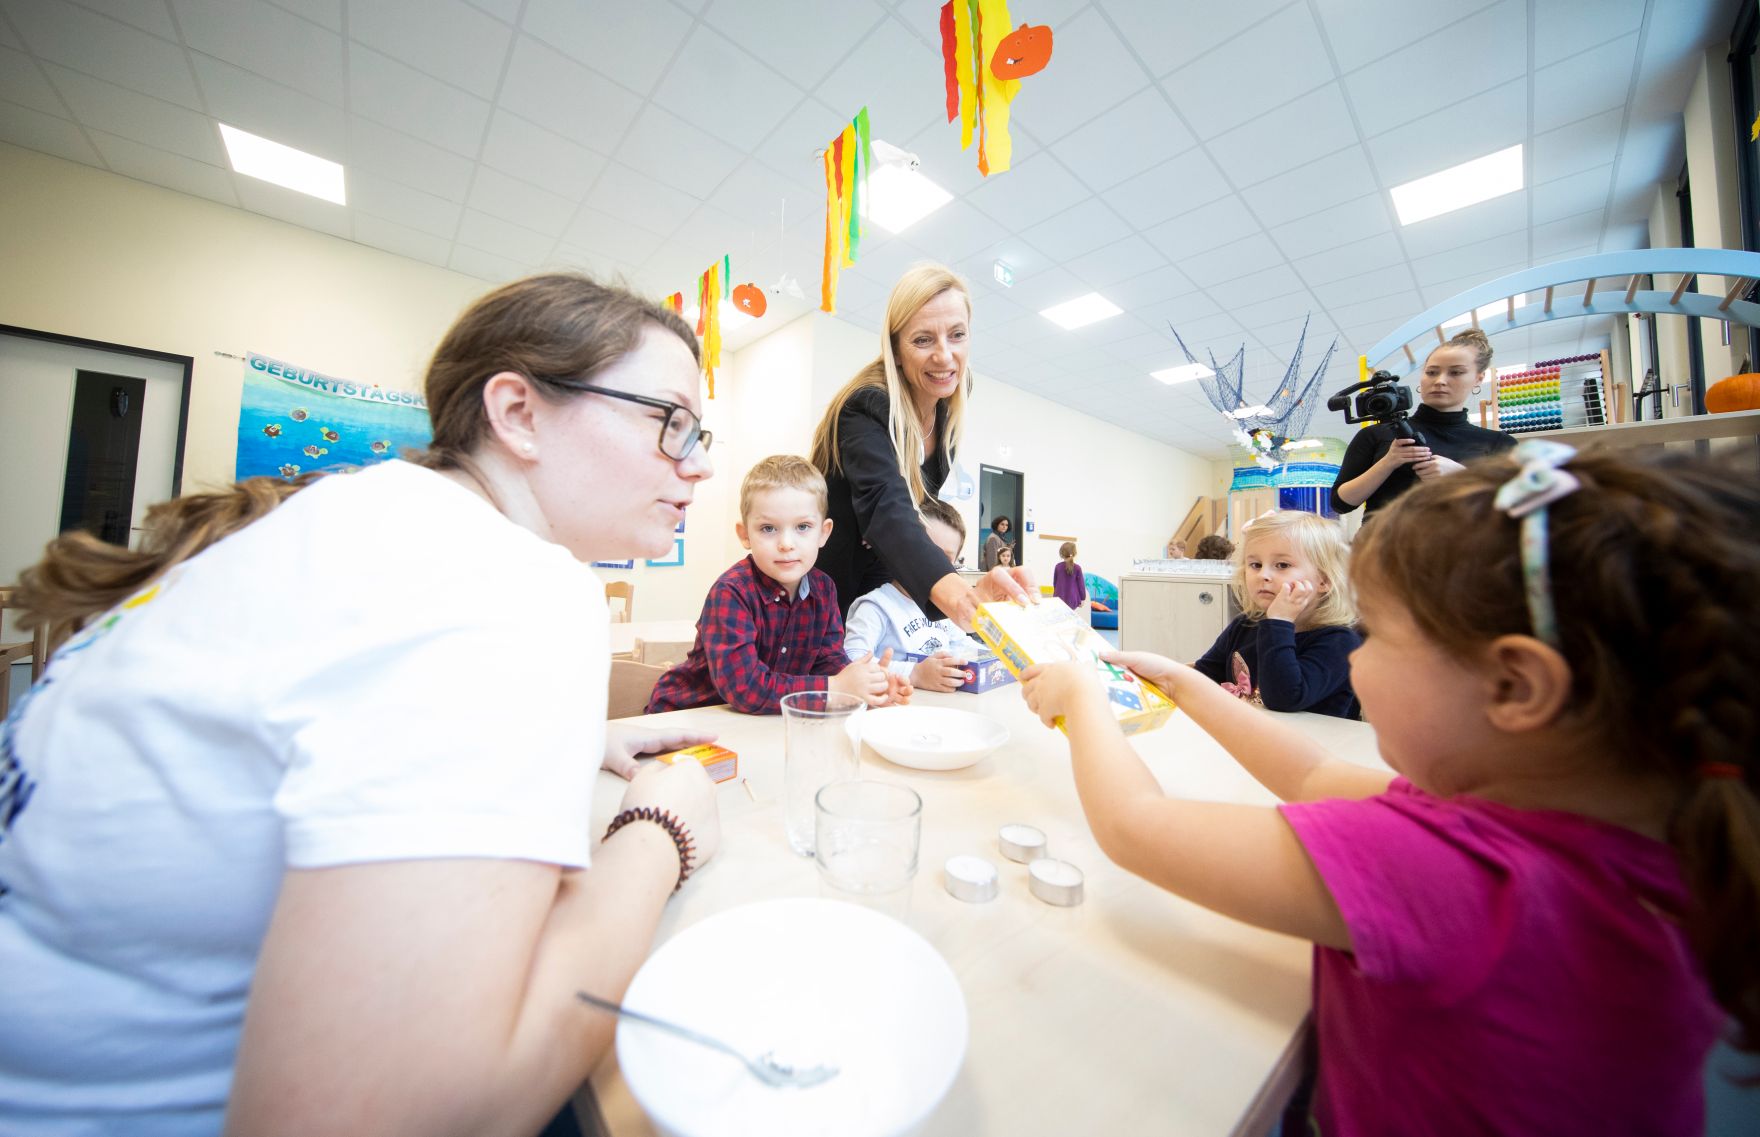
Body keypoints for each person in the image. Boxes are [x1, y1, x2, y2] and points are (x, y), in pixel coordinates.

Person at [0, 274, 730, 1136]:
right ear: (519, 413)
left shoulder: (358, 518)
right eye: (669, 420)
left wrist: (578, 736)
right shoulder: (497, 578)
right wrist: (658, 829)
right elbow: (419, 1113)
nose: (702, 461)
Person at [1019, 444, 1758, 1136]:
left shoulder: (1464, 875)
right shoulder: (1565, 830)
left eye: (1380, 635)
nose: (1359, 659)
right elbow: (1311, 775)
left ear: (1515, 685)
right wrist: (1185, 682)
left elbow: (1136, 824)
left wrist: (1081, 699)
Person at [809, 263, 1032, 627]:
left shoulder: (947, 404)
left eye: (957, 335)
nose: (944, 357)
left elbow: (914, 512)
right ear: (895, 349)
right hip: (830, 595)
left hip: (886, 593)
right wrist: (963, 599)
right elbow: (888, 509)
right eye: (923, 339)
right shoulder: (866, 407)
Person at [645, 455, 905, 715]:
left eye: (803, 527)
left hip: (757, 724)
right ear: (745, 535)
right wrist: (835, 687)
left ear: (823, 533)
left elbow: (828, 661)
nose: (786, 543)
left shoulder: (824, 589)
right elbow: (746, 688)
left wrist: (868, 685)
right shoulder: (731, 592)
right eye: (768, 529)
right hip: (687, 716)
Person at [1331, 328, 1516, 518]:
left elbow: (1518, 511)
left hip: (1460, 546)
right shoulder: (1376, 434)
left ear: (1479, 379)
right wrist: (1389, 462)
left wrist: (1461, 477)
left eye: (1456, 372)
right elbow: (1340, 503)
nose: (1440, 381)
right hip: (1383, 544)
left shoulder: (1499, 443)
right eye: (1432, 372)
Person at [1191, 511, 1359, 717]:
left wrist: (1280, 622)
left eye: (1282, 565)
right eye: (1255, 565)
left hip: (1309, 745)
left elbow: (1285, 699)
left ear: (1323, 580)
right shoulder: (1245, 625)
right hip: (1248, 737)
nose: (1263, 575)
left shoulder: (1340, 642)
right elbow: (1203, 677)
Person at [844, 498, 973, 693]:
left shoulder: (944, 609)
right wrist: (914, 673)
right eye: (926, 552)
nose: (932, 565)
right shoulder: (876, 606)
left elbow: (965, 646)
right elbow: (851, 658)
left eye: (944, 559)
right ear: (902, 550)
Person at [1052, 541, 1087, 614]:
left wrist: (1056, 594)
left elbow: (1055, 583)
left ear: (1061, 554)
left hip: (1059, 598)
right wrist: (1083, 598)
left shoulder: (1058, 566)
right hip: (1072, 599)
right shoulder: (1077, 568)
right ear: (1075, 554)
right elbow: (1081, 585)